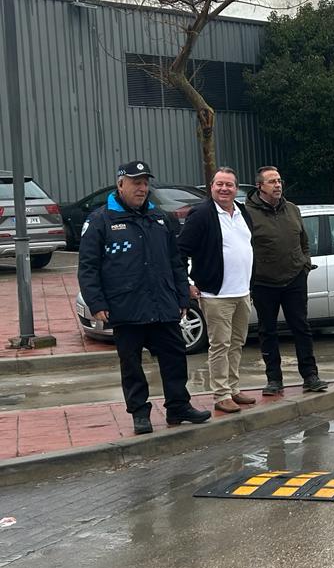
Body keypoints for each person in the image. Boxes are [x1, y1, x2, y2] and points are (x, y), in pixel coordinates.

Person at [77, 161, 211, 434]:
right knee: (132, 365)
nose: (142, 188)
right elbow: (88, 267)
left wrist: (182, 295)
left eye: (145, 183)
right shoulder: (100, 220)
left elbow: (175, 261)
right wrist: (97, 303)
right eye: (136, 182)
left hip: (162, 305)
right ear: (121, 184)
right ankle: (140, 413)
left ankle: (178, 407)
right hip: (126, 308)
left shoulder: (160, 218)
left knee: (175, 359)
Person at [177, 167, 255, 414]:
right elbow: (181, 251)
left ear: (236, 188)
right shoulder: (201, 214)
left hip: (242, 291)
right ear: (211, 187)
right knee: (220, 345)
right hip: (216, 294)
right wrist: (187, 283)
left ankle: (233, 388)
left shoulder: (242, 212)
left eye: (229, 185)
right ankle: (221, 394)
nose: (224, 189)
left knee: (236, 343)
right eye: (219, 184)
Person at [246, 166, 328, 395]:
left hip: (294, 278)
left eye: (279, 180)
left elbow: (304, 240)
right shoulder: (247, 214)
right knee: (267, 331)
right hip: (264, 282)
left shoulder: (292, 209)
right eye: (272, 181)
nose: (278, 185)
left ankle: (310, 376)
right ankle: (274, 380)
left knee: (301, 328)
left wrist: (304, 264)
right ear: (260, 186)